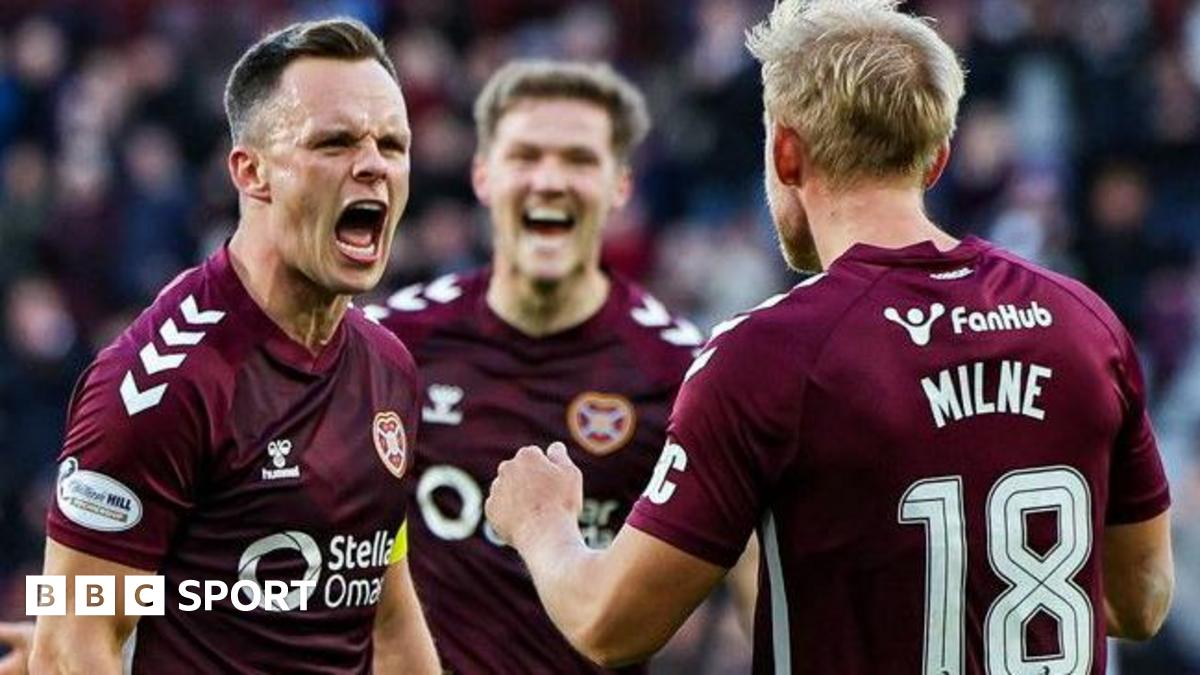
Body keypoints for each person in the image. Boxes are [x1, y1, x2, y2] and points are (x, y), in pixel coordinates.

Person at [484, 1, 1175, 673]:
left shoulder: (771, 354)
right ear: (936, 159)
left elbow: (611, 626)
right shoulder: (1082, 323)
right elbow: (1142, 599)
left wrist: (542, 521)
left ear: (786, 151)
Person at [26, 18, 439, 674]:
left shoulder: (390, 369)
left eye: (393, 143)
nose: (372, 164)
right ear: (252, 172)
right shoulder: (160, 385)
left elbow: (387, 613)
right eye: (334, 142)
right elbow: (67, 646)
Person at [366, 59, 743, 673]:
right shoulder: (388, 347)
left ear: (620, 186)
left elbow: (761, 605)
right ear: (483, 176)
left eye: (578, 160)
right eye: (525, 156)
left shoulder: (683, 373)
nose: (549, 180)